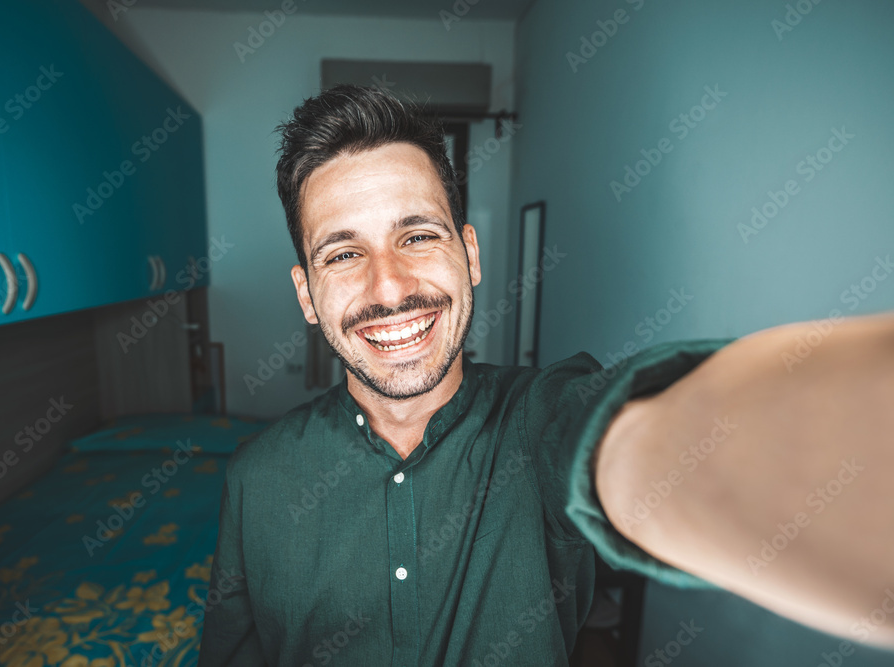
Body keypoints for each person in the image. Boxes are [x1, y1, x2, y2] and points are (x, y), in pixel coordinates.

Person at [198, 84, 894, 665]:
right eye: (344, 254)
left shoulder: (542, 418)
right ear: (305, 294)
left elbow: (632, 440)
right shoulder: (254, 480)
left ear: (469, 254)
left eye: (418, 235)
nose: (389, 287)